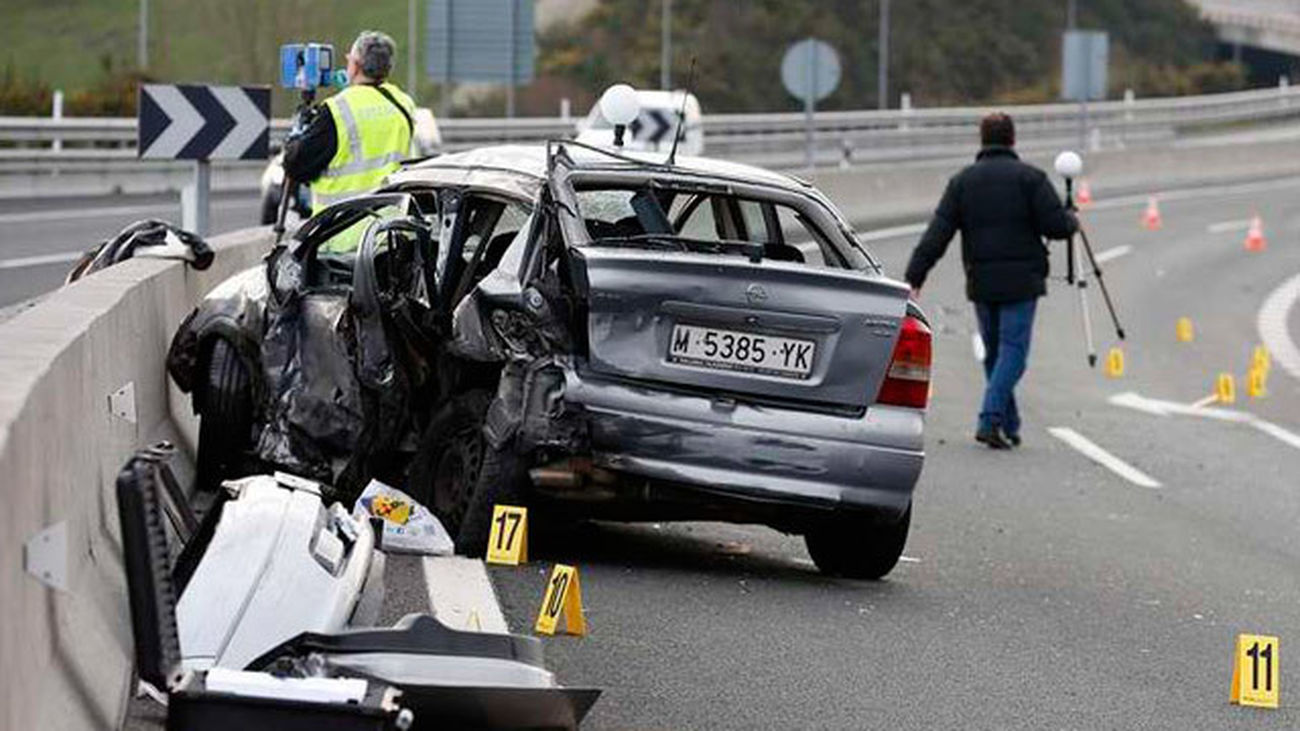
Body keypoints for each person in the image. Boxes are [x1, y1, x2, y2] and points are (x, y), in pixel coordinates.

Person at [903, 112, 1077, 450]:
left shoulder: (963, 182)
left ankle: (1008, 424)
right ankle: (989, 418)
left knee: (996, 353)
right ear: (1012, 140)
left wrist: (915, 274)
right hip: (1022, 283)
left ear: (982, 141)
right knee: (1013, 353)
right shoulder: (1032, 179)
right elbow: (1056, 227)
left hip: (981, 281)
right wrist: (1071, 221)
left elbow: (938, 232)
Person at [284, 30, 416, 216]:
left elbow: (296, 166)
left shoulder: (337, 110)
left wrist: (294, 141)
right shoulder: (404, 103)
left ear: (354, 66)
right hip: (391, 229)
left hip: (343, 232)